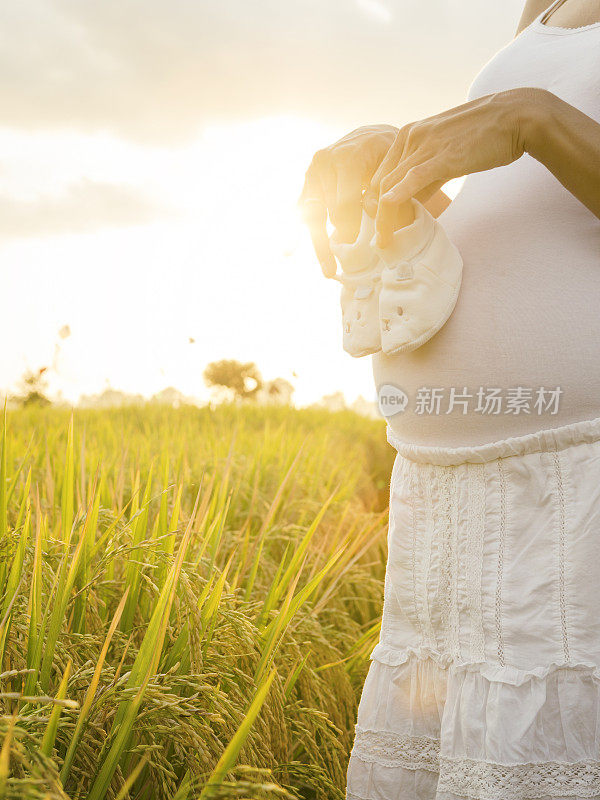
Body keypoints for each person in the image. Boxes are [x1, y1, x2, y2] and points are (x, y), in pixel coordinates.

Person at [301, 0, 600, 798]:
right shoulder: (545, 4)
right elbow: (532, 206)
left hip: (580, 481)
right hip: (456, 495)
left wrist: (535, 117)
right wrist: (396, 170)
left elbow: (538, 134)